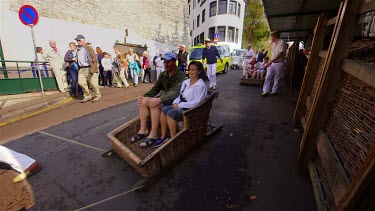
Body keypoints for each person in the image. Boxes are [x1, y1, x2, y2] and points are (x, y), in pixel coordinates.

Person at [132, 52, 185, 148]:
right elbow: (156, 88)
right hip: (163, 99)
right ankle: (143, 129)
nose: (166, 64)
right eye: (165, 62)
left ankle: (154, 134)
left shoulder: (180, 74)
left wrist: (160, 99)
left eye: (168, 62)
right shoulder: (164, 74)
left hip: (174, 101)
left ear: (174, 62)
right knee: (144, 101)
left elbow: (176, 92)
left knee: (154, 103)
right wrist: (144, 96)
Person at [155, 61, 208, 147]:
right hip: (182, 105)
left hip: (192, 110)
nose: (190, 72)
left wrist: (180, 105)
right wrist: (176, 102)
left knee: (170, 113)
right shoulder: (186, 82)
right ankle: (163, 136)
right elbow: (180, 96)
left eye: (193, 70)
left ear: (199, 71)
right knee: (164, 109)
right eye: (189, 69)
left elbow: (196, 103)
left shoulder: (201, 85)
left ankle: (173, 139)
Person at [74, 34, 101, 103]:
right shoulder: (78, 49)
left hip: (89, 67)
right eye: (77, 41)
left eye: (79, 40)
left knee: (94, 83)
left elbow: (94, 58)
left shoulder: (88, 48)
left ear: (83, 40)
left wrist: (94, 68)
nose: (78, 42)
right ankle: (87, 96)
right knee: (81, 82)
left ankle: (98, 95)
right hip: (81, 68)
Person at [262, 31, 288, 96]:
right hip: (272, 62)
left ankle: (274, 91)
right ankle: (265, 91)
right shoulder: (274, 43)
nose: (271, 38)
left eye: (272, 37)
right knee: (268, 76)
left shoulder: (282, 42)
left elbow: (280, 54)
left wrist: (270, 62)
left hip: (279, 62)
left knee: (277, 77)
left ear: (275, 36)